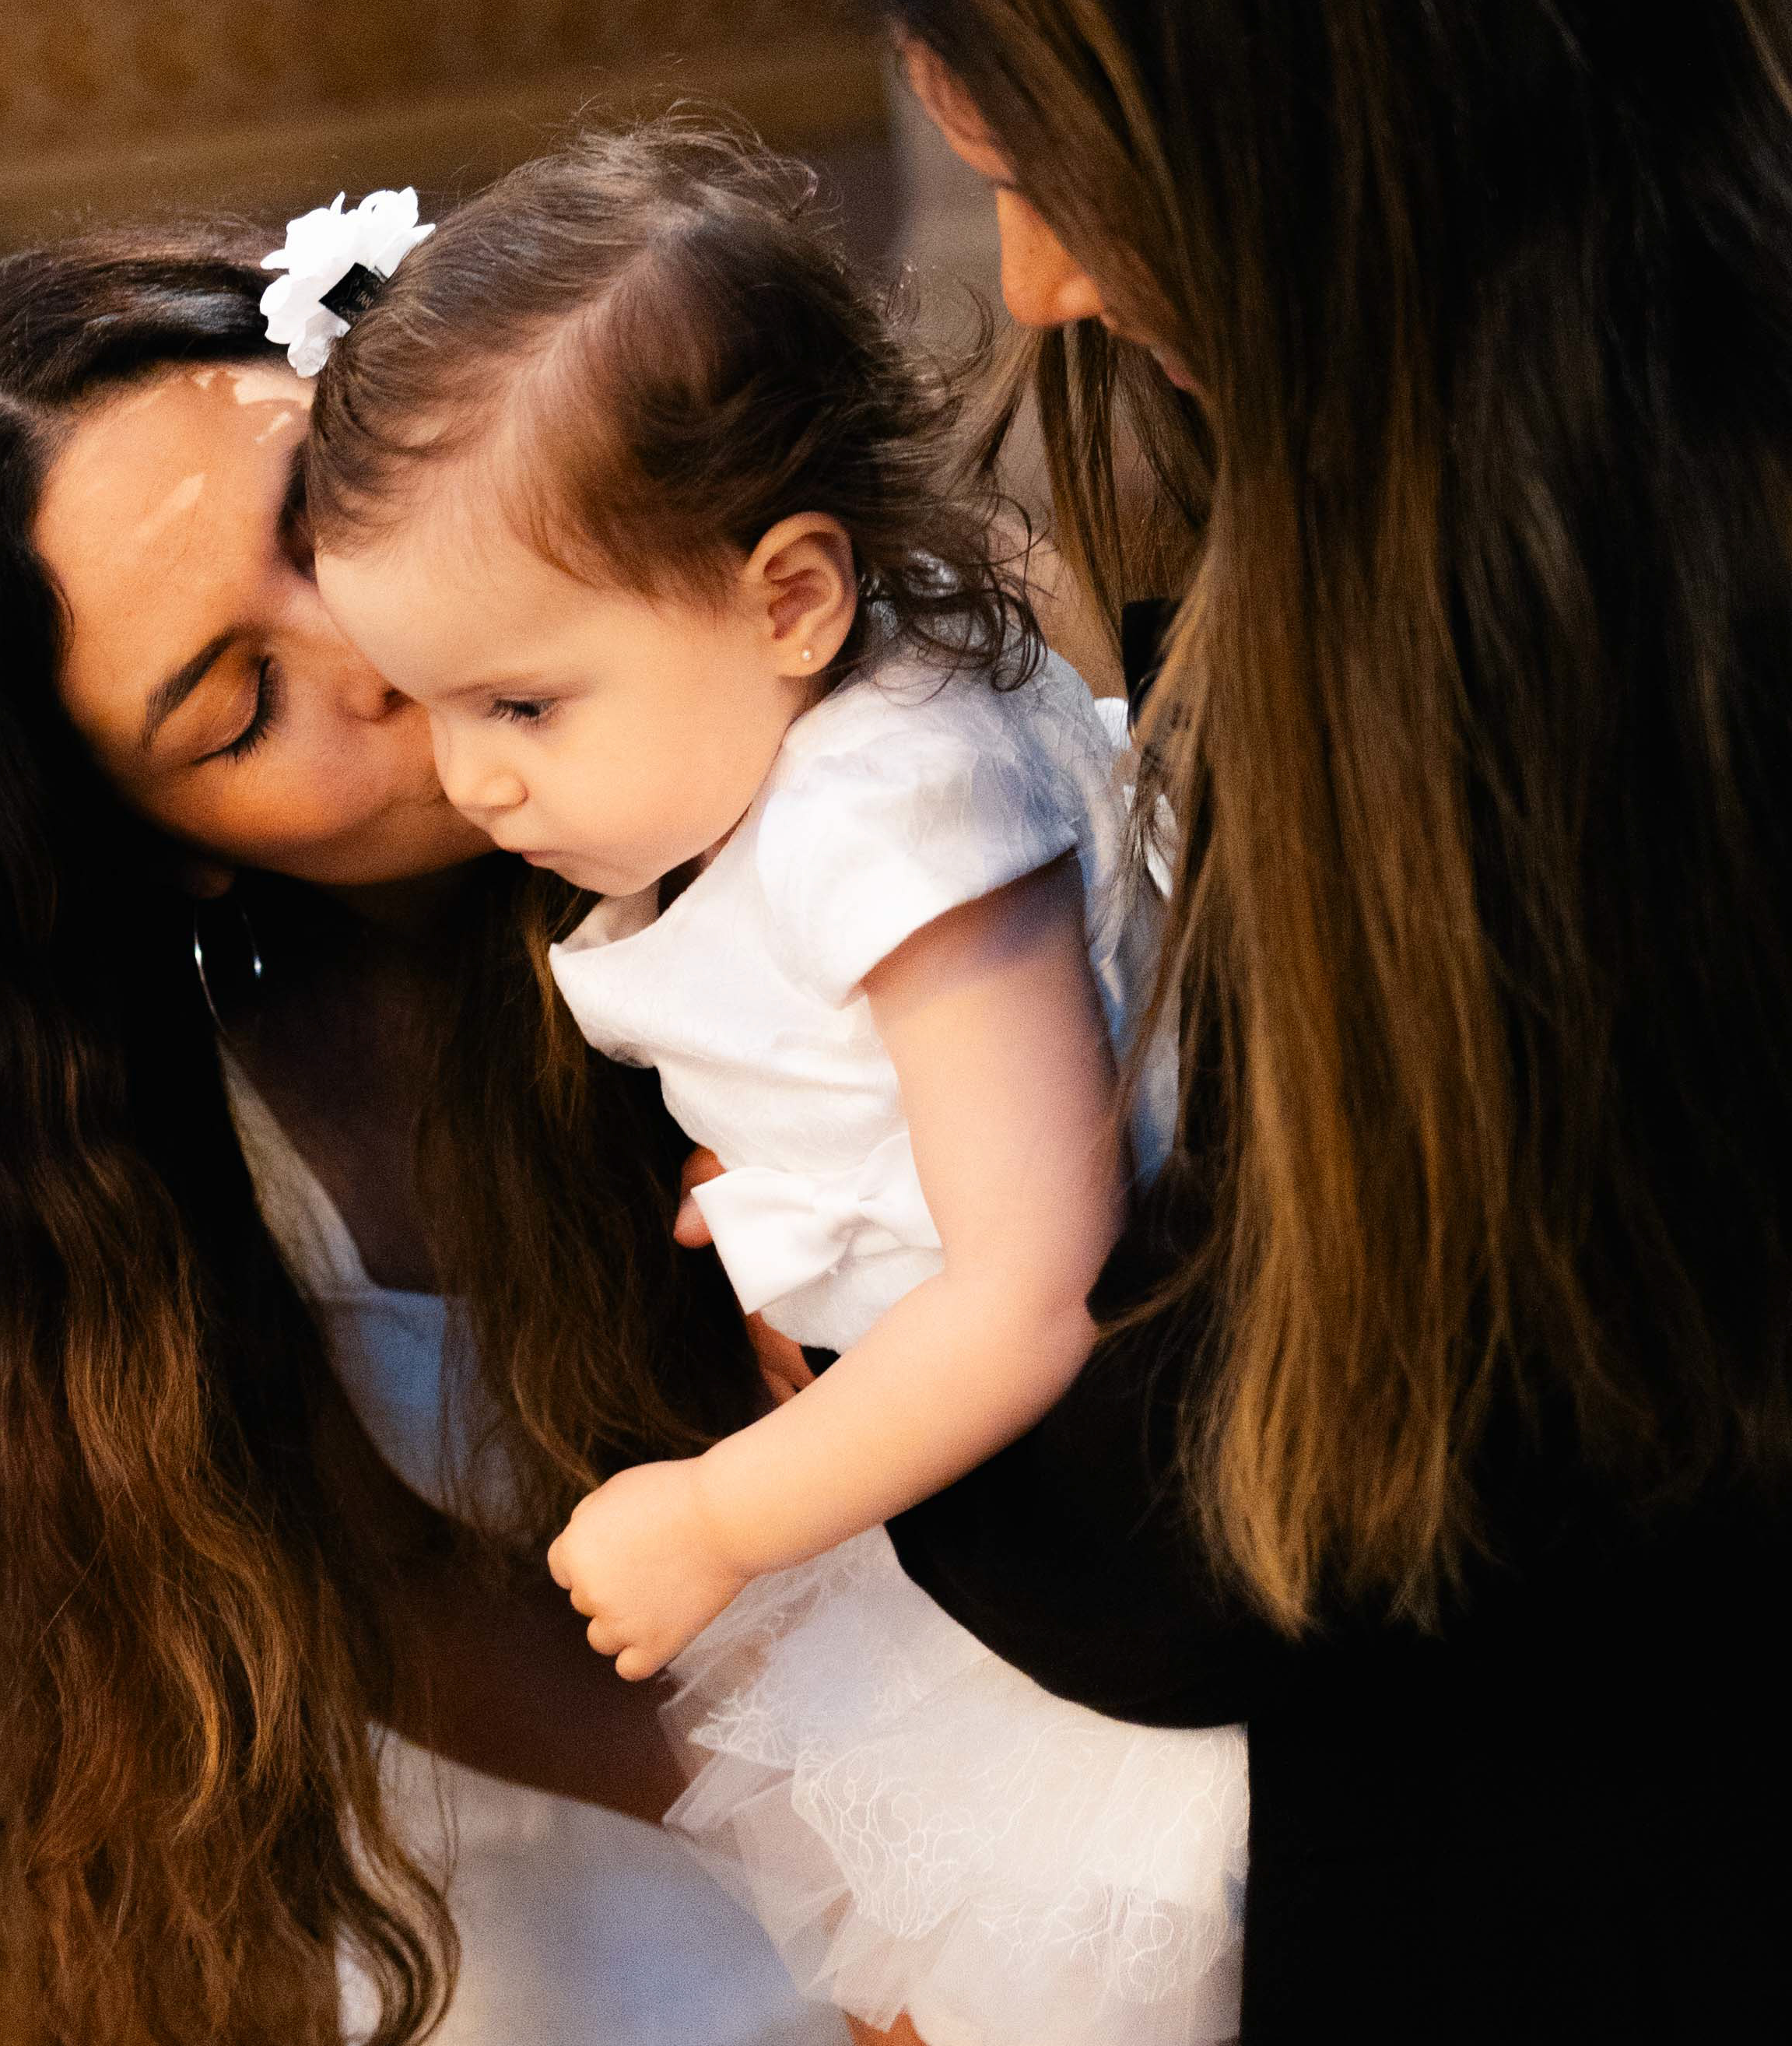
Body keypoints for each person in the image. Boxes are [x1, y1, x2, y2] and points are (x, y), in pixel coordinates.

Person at [809, 0, 1792, 2030]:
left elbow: (1321, 1521)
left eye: (1067, 173)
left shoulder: (1583, 654)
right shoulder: (1528, 436)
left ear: (1333, 92)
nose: (1037, 282)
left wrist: (872, 1346)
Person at [0, 226, 843, 2046]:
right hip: (621, 1896)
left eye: (321, 525)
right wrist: (874, 1889)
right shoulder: (151, 1142)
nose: (362, 646)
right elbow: (416, 1616)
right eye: (238, 705)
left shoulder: (797, 756)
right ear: (157, 850)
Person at [293, 128, 1238, 2046]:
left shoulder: (893, 818)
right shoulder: (792, 755)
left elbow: (1031, 1282)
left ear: (789, 598)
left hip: (1112, 1506)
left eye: (519, 704)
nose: (469, 781)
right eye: (425, 705)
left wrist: (722, 1516)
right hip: (981, 1494)